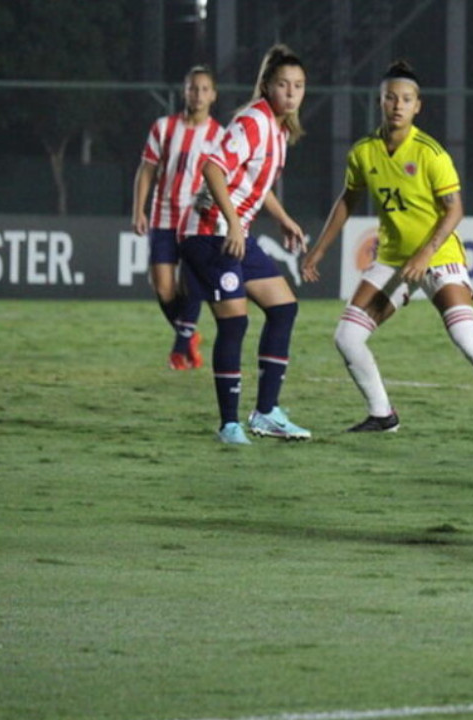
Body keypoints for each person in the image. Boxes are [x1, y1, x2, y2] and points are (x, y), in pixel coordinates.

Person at [303, 60, 473, 438]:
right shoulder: (363, 152)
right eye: (390, 98)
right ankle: (382, 415)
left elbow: (455, 210)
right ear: (379, 102)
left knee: (466, 337)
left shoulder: (431, 153)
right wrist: (318, 251)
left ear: (418, 106)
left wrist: (426, 253)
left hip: (440, 256)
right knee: (347, 338)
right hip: (394, 260)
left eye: (406, 99)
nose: (398, 105)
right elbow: (347, 200)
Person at [178, 44, 312, 445]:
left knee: (284, 306)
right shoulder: (254, 120)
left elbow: (255, 184)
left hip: (231, 231)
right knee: (234, 322)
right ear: (267, 86)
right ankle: (229, 425)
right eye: (284, 85)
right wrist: (236, 224)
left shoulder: (279, 129)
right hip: (208, 234)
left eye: (299, 86)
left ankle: (267, 412)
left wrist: (283, 218)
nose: (291, 93)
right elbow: (213, 168)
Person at [131, 65, 221, 370]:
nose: (197, 95)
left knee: (191, 284)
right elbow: (147, 170)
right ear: (184, 91)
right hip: (163, 215)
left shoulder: (218, 136)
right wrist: (138, 210)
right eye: (192, 88)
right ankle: (189, 333)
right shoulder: (164, 127)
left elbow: (222, 180)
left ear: (213, 95)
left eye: (204, 89)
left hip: (197, 221)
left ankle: (180, 349)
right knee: (163, 287)